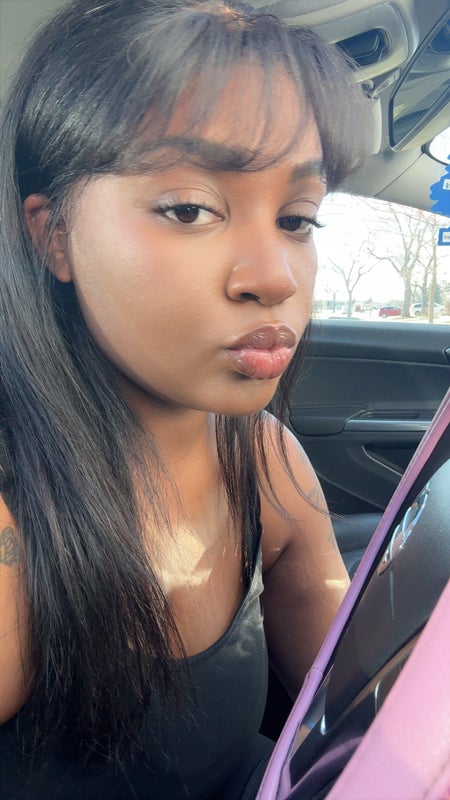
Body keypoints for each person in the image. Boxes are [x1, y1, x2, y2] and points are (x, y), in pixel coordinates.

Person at [0, 1, 369, 797]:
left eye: (298, 219)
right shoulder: (14, 521)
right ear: (52, 235)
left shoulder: (267, 460)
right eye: (189, 209)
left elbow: (359, 714)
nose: (274, 276)